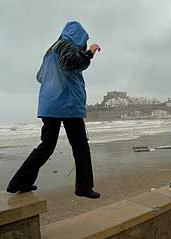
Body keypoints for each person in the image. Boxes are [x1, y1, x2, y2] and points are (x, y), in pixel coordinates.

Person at [7, 21, 101, 199]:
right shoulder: (67, 46)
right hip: (67, 105)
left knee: (47, 146)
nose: (84, 44)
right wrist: (90, 53)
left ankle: (19, 181)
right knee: (81, 147)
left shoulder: (50, 50)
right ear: (77, 36)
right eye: (83, 41)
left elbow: (39, 76)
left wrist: (54, 83)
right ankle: (83, 187)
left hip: (49, 105)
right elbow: (69, 63)